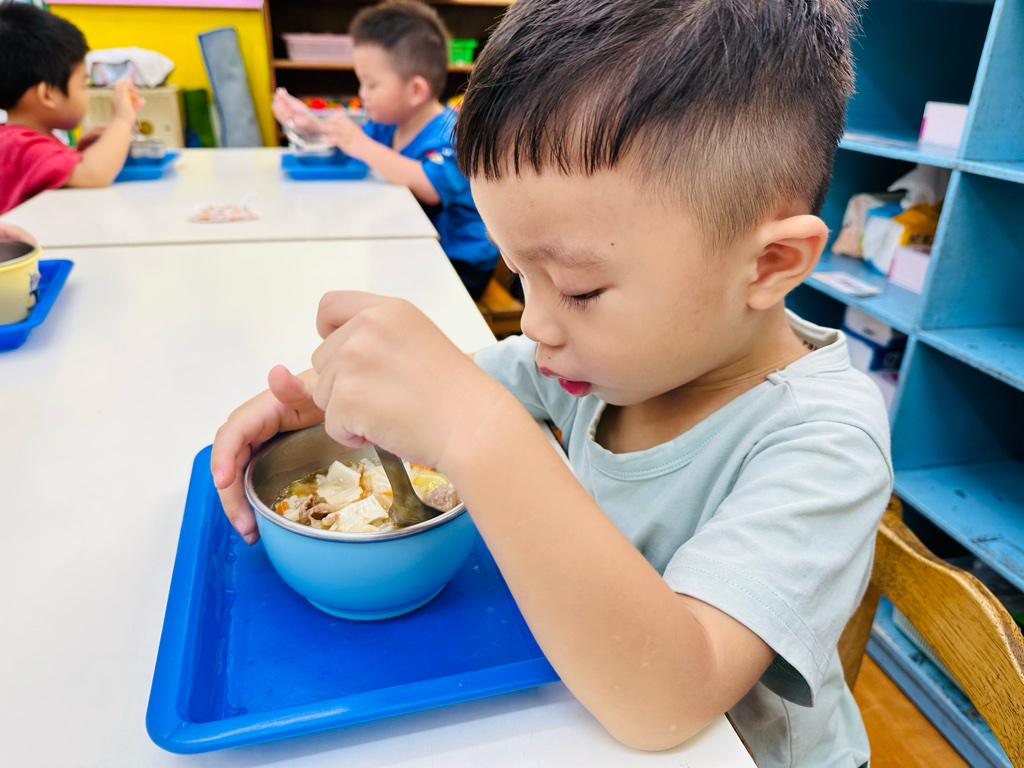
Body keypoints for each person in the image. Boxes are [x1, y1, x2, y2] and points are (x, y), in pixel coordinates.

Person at [212, 1, 891, 765]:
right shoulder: (602, 363)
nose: (535, 324)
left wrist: (479, 431)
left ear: (769, 265)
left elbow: (669, 703)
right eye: (517, 274)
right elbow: (453, 384)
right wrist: (309, 397)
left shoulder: (824, 443)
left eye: (577, 288)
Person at [272, 0, 498, 300]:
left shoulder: (450, 133)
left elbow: (430, 185)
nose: (362, 94)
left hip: (459, 263)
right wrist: (312, 125)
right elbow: (352, 147)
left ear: (415, 90)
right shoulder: (388, 125)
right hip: (415, 248)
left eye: (371, 84)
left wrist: (360, 144)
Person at [0, 1, 142, 215]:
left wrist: (78, 154)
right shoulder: (22, 146)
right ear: (47, 95)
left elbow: (64, 178)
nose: (86, 95)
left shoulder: (18, 139)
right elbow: (94, 174)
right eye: (82, 85)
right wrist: (122, 119)